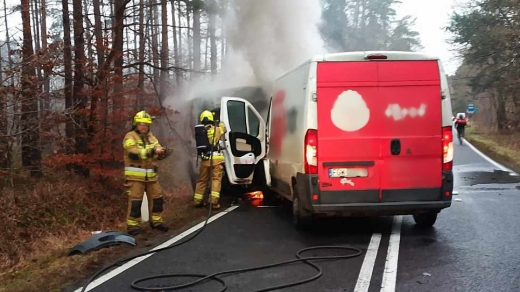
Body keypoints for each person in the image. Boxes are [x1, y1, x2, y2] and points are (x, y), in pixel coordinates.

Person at [123, 111, 171, 235]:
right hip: (135, 177)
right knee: (135, 201)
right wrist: (151, 151)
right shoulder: (130, 136)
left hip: (151, 177)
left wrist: (162, 153)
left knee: (157, 199)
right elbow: (132, 152)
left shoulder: (151, 137)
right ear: (136, 124)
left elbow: (157, 151)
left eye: (146, 124)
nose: (144, 126)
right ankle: (133, 227)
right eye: (141, 123)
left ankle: (157, 222)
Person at [193, 110, 227, 209]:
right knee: (215, 179)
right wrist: (219, 122)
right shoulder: (216, 129)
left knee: (202, 180)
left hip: (205, 160)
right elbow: (224, 129)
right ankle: (213, 202)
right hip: (216, 159)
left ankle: (197, 201)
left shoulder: (200, 132)